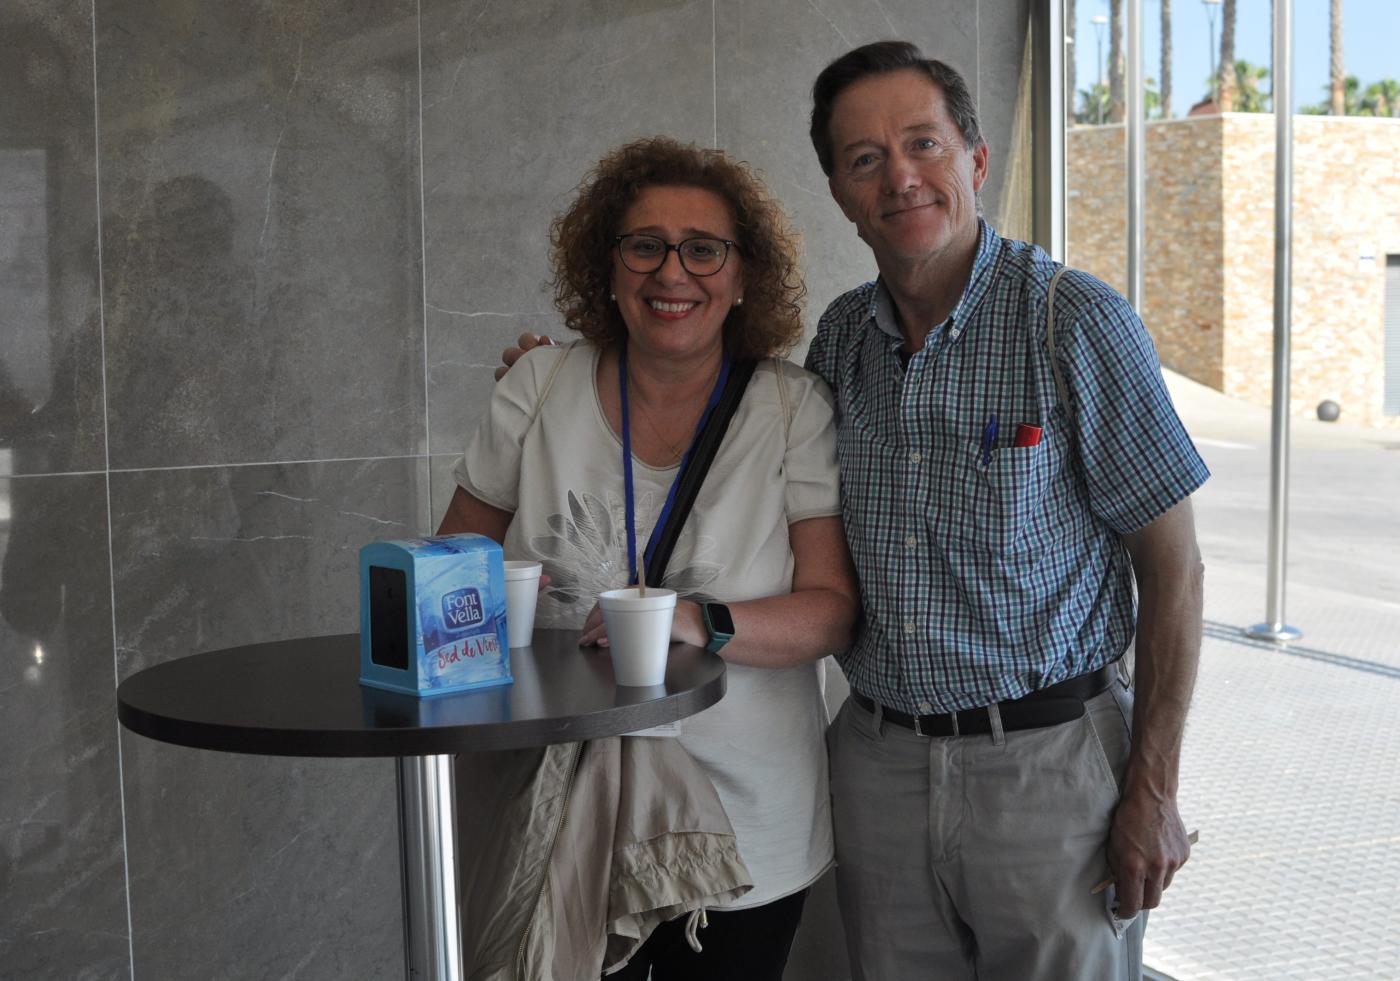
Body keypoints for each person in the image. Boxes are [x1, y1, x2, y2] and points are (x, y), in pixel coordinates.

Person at [501, 41, 1209, 981]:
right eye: (865, 158)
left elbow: (1176, 569)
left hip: (1046, 768)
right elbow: (707, 390)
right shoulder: (842, 340)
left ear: (977, 158)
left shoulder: (1073, 323)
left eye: (924, 144)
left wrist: (1153, 786)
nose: (900, 177)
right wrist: (567, 368)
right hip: (876, 761)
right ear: (838, 188)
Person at [439, 136, 859, 980]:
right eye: (645, 245)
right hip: (553, 799)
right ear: (610, 267)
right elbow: (451, 568)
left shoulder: (791, 408)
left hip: (743, 821)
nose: (674, 272)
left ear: (744, 277)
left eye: (704, 249)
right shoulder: (538, 387)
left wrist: (704, 621)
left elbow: (830, 608)